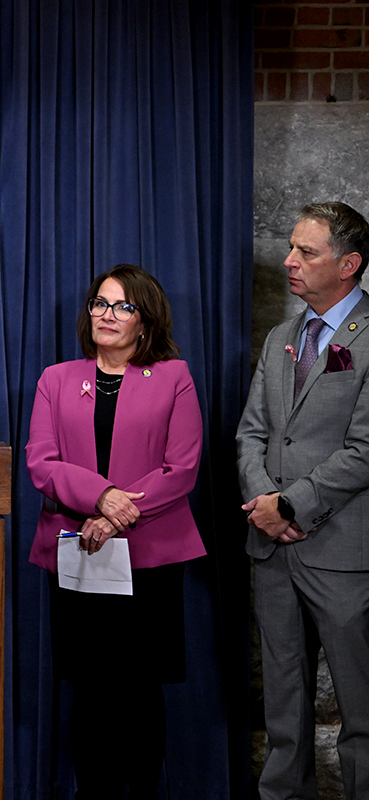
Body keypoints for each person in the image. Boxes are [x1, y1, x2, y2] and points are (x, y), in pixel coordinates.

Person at [26, 264, 205, 800]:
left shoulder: (174, 377)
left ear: (145, 320)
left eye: (123, 306)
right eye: (100, 304)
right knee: (91, 692)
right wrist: (100, 497)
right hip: (79, 553)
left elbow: (182, 468)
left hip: (149, 558)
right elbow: (41, 462)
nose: (107, 315)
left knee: (142, 693)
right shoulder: (56, 379)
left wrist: (115, 513)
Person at [237, 202, 369, 800]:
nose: (288, 260)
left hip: (342, 555)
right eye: (291, 247)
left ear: (348, 264)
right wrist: (265, 502)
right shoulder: (280, 338)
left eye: (305, 252)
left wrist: (289, 507)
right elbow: (252, 433)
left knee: (361, 713)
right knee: (283, 714)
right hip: (273, 550)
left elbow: (365, 450)